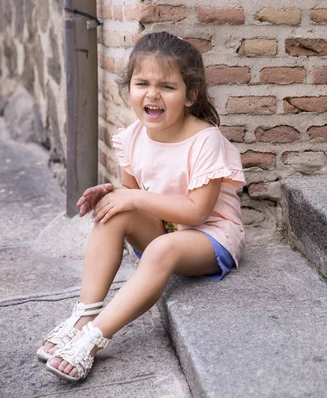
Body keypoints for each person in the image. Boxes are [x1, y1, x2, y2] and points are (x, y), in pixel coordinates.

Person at [37, 31, 246, 382]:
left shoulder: (205, 140)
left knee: (163, 245)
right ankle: (85, 313)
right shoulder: (133, 136)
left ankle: (94, 337)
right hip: (164, 231)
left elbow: (198, 213)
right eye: (142, 83)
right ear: (129, 88)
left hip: (210, 238)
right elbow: (132, 194)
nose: (152, 94)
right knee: (113, 210)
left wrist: (132, 197)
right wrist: (115, 192)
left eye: (167, 86)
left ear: (190, 95)